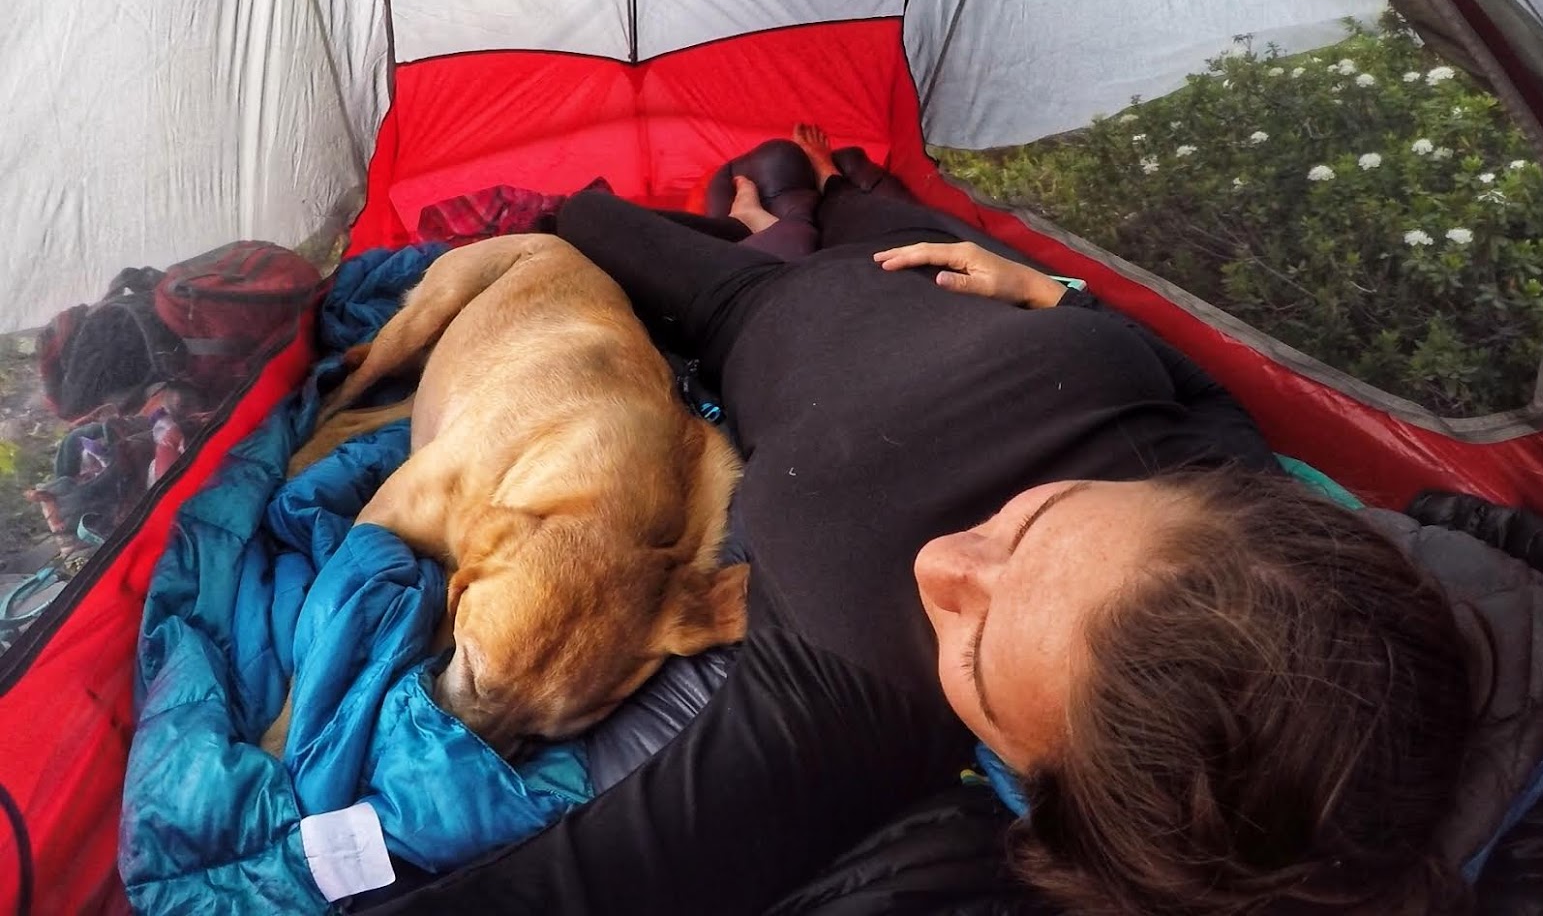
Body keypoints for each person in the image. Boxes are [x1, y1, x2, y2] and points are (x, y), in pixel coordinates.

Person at [372, 128, 1474, 916]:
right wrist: (1059, 298)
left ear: (1023, 776)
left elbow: (571, 884)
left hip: (748, 318)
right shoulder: (1236, 500)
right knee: (859, 189)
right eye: (1042, 522)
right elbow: (1211, 403)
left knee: (588, 220)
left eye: (974, 648)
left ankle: (761, 229)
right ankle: (803, 202)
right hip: (939, 272)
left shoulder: (850, 710)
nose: (947, 559)